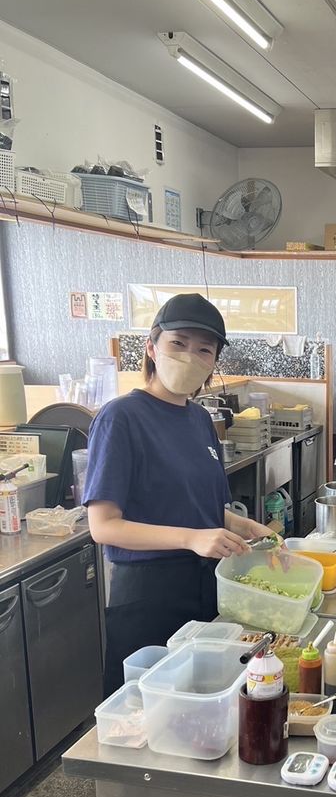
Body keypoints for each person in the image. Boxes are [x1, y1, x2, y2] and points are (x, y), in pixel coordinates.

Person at [84, 293, 280, 696]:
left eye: (203, 349)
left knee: (203, 704)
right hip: (148, 595)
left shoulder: (199, 419)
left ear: (213, 363)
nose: (190, 356)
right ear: (152, 347)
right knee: (146, 713)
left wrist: (245, 527)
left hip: (205, 587)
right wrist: (192, 539)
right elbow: (103, 526)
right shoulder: (121, 418)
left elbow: (203, 509)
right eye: (179, 343)